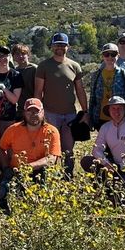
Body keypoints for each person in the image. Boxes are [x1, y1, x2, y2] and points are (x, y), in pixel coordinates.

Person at [35, 32, 87, 177]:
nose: (60, 47)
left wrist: (85, 112)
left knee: (68, 149)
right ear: (52, 47)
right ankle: (45, 177)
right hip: (50, 114)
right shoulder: (44, 66)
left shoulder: (74, 66)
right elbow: (38, 91)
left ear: (67, 47)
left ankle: (67, 177)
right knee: (48, 149)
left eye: (63, 45)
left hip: (70, 114)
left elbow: (80, 91)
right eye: (57, 44)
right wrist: (39, 113)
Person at [0, 98, 61, 208]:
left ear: (43, 112)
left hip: (41, 172)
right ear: (24, 113)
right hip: (17, 172)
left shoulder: (52, 131)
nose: (33, 114)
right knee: (1, 196)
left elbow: (52, 158)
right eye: (29, 111)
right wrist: (6, 167)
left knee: (42, 197)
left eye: (37, 111)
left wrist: (29, 167)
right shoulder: (13, 129)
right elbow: (0, 147)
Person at [81, 96, 125, 204]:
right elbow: (96, 150)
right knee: (87, 161)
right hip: (115, 168)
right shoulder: (105, 127)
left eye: (119, 108)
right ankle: (106, 192)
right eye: (113, 109)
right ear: (109, 111)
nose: (116, 112)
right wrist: (106, 163)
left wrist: (123, 166)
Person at [88, 43, 125, 130]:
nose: (110, 57)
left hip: (120, 118)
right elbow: (92, 99)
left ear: (118, 55)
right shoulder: (96, 75)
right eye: (106, 54)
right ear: (102, 56)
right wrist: (90, 118)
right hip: (100, 118)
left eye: (113, 54)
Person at [11, 42, 37, 115]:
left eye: (23, 54)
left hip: (32, 106)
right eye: (17, 54)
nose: (20, 56)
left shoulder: (34, 69)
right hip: (18, 108)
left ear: (28, 55)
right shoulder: (13, 71)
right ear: (13, 56)